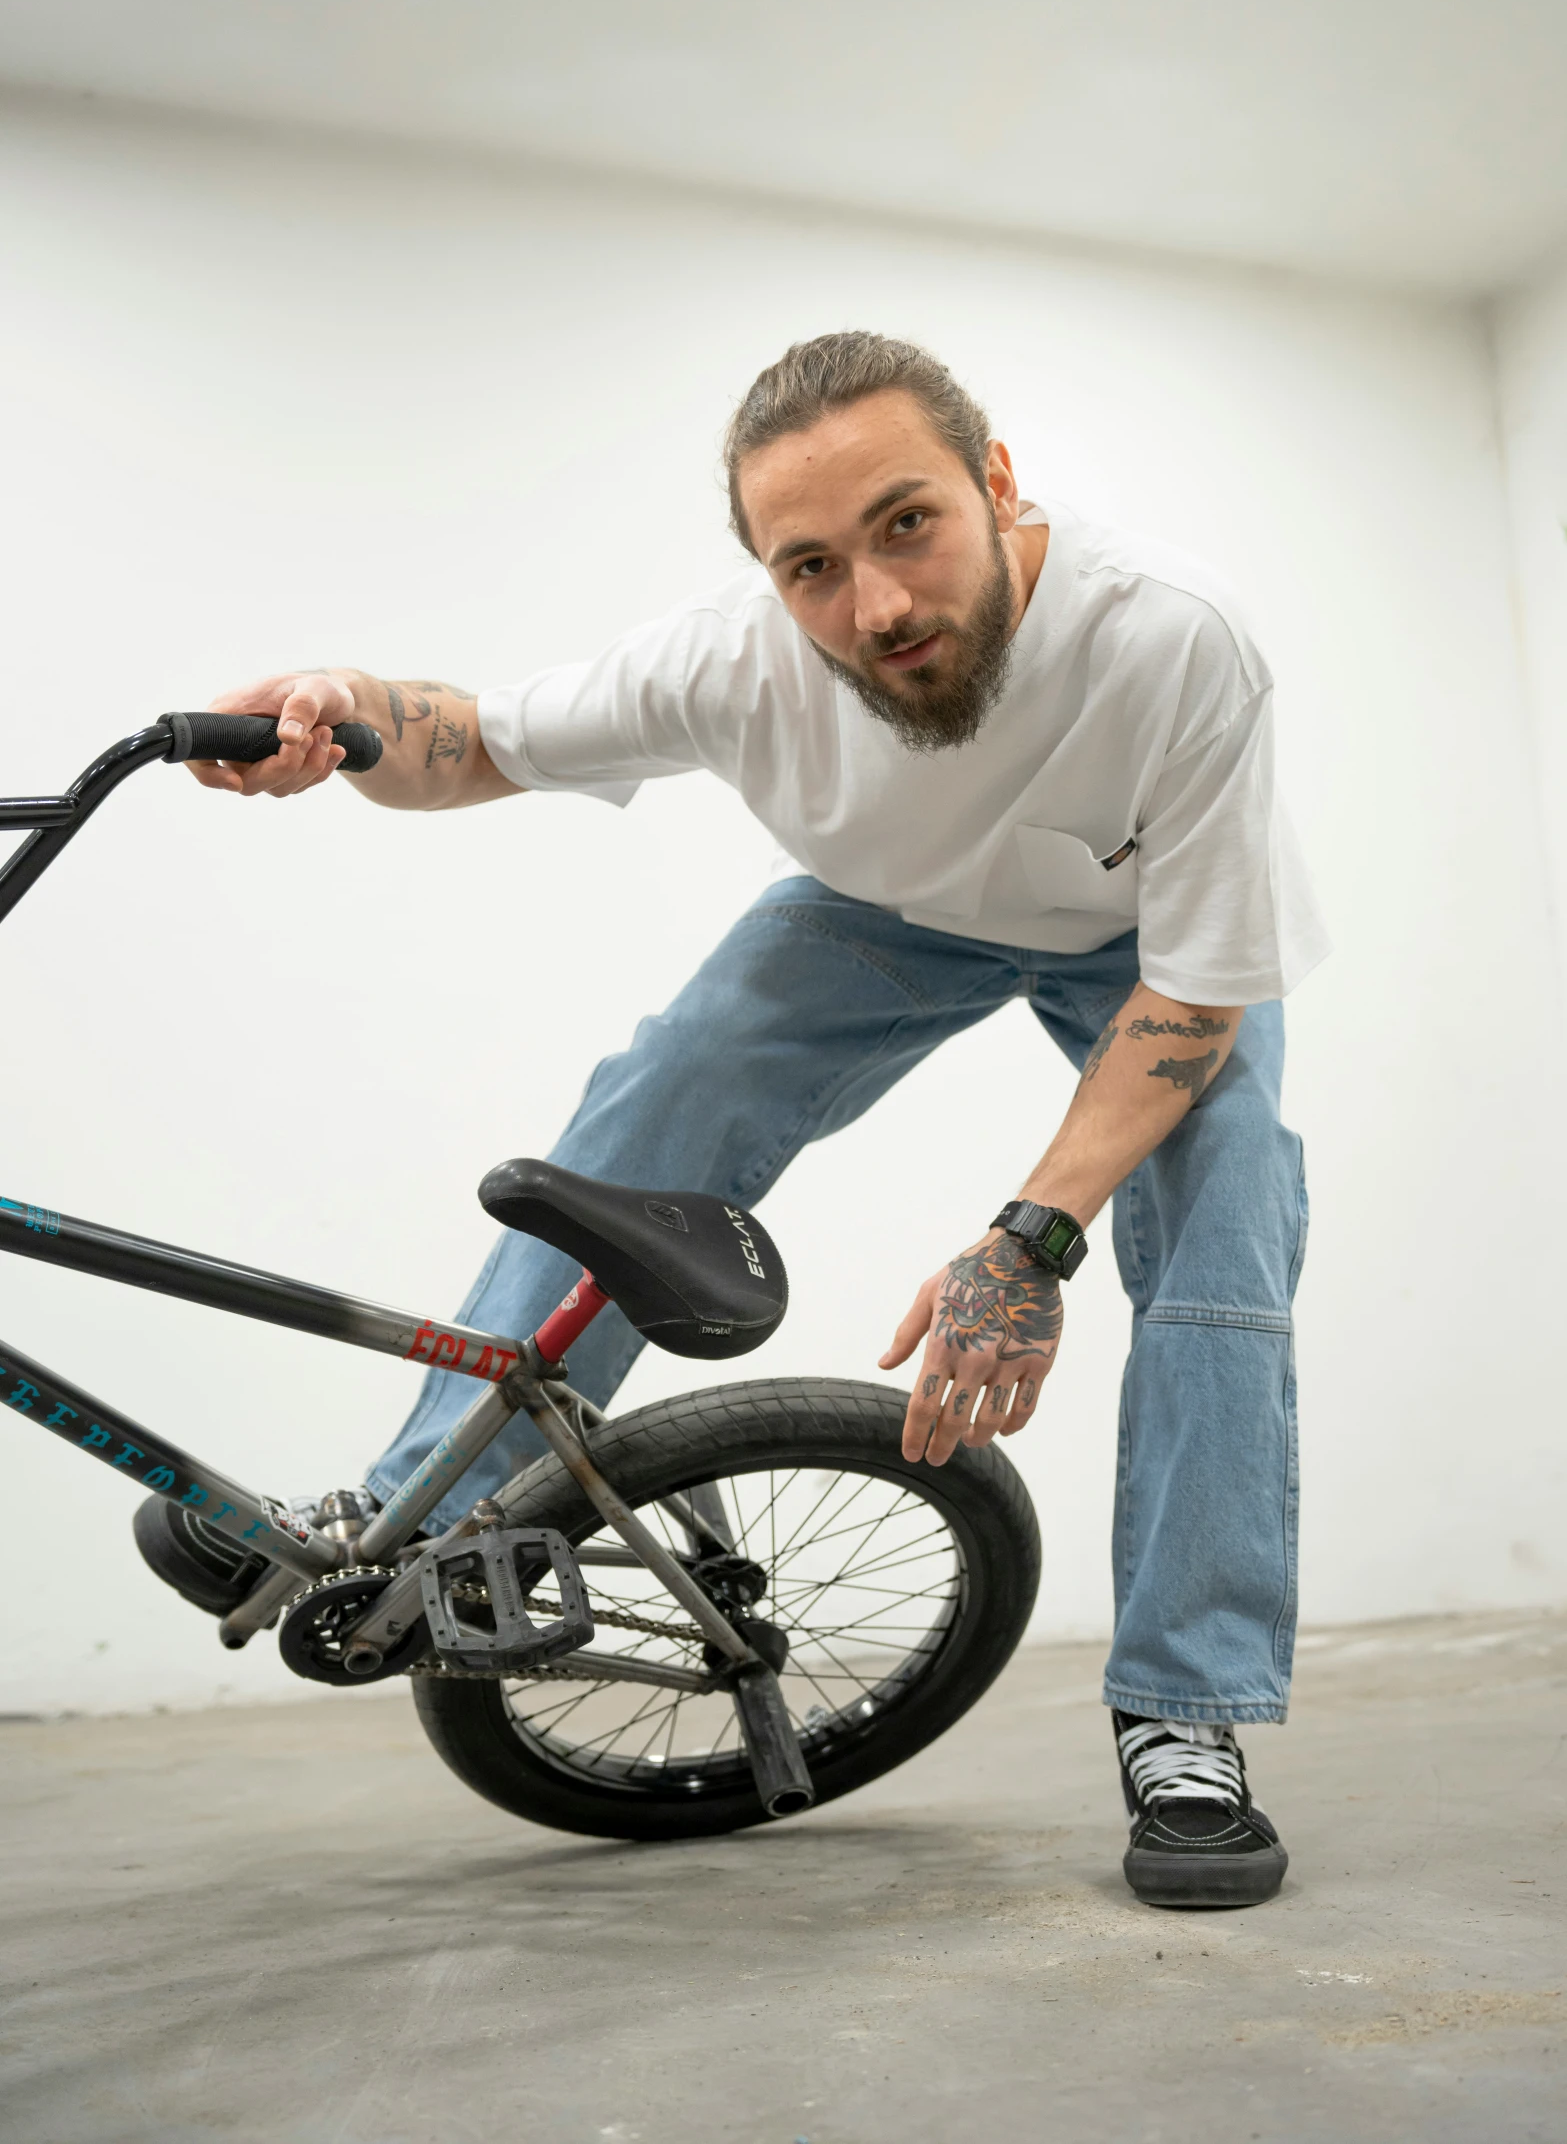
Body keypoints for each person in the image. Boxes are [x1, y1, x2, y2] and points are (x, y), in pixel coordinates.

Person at [174, 332, 1326, 1909]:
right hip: (885, 911)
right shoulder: (734, 658)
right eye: (811, 565)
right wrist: (342, 707)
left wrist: (1026, 1237)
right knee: (666, 1083)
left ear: (997, 483)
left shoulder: (1171, 641)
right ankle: (408, 1518)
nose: (876, 608)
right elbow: (477, 738)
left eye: (907, 523)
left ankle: (1186, 1716)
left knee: (1225, 1235)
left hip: (1149, 958)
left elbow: (1192, 1001)